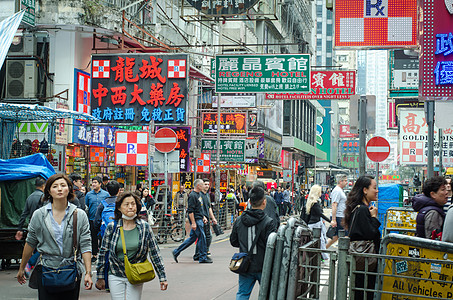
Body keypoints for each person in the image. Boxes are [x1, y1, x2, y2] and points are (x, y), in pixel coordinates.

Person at [16, 173, 93, 299]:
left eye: (63, 185)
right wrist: (22, 268)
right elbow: (30, 243)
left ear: (69, 189)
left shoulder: (79, 215)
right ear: (48, 191)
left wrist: (88, 272)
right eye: (55, 186)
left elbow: (85, 244)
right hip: (46, 269)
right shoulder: (39, 215)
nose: (59, 189)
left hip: (71, 270)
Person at [95, 192, 168, 298]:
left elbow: (155, 252)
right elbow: (103, 252)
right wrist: (100, 276)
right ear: (119, 208)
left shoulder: (144, 227)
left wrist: (162, 277)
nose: (130, 207)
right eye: (126, 204)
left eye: (133, 204)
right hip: (116, 273)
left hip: (136, 273)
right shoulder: (112, 227)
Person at [230, 186, 276, 299]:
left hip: (245, 264)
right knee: (267, 294)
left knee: (242, 294)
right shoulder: (269, 222)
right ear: (264, 202)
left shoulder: (240, 220)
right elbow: (272, 245)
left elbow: (234, 241)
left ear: (249, 202)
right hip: (264, 264)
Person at [343, 175, 380, 300]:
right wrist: (374, 217)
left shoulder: (359, 209)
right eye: (374, 188)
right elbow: (371, 233)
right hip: (365, 261)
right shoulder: (362, 210)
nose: (377, 191)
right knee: (363, 293)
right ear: (365, 190)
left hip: (361, 260)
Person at [172, 179, 212, 264]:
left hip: (199, 218)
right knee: (202, 237)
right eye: (202, 184)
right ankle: (202, 257)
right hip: (196, 220)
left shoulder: (199, 195)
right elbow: (190, 211)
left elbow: (199, 208)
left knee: (192, 238)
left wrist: (203, 217)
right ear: (198, 186)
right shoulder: (193, 196)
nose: (204, 186)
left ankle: (176, 251)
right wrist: (193, 223)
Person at [15, 176, 46, 275]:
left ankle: (31, 266)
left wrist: (19, 228)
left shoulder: (30, 197)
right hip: (42, 226)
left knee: (33, 246)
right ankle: (29, 264)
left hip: (31, 226)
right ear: (43, 186)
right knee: (42, 248)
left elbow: (24, 214)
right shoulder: (43, 197)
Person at [85, 176, 109, 261]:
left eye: (95, 182)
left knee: (103, 237)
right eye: (93, 182)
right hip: (92, 219)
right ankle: (94, 255)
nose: (93, 184)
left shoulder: (105, 194)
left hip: (102, 220)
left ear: (100, 184)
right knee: (93, 237)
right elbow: (86, 206)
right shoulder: (88, 194)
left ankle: (103, 254)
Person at [193, 179, 218, 261]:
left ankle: (200, 253)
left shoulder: (207, 195)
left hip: (206, 219)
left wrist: (213, 218)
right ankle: (202, 252)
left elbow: (209, 207)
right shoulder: (198, 195)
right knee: (204, 237)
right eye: (205, 184)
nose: (207, 186)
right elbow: (197, 208)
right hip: (200, 219)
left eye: (208, 184)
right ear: (201, 185)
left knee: (203, 237)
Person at [305, 185, 330, 260]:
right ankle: (325, 257)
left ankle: (319, 257)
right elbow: (320, 214)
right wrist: (330, 221)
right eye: (319, 191)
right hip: (316, 224)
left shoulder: (310, 202)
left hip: (312, 224)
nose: (321, 193)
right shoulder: (315, 203)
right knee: (321, 241)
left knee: (315, 241)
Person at [326, 174, 348, 248]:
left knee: (335, 237)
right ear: (340, 181)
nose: (347, 182)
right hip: (339, 216)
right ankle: (343, 255)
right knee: (345, 236)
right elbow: (334, 204)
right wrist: (334, 220)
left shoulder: (340, 190)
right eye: (345, 181)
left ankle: (322, 251)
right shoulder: (337, 191)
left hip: (341, 216)